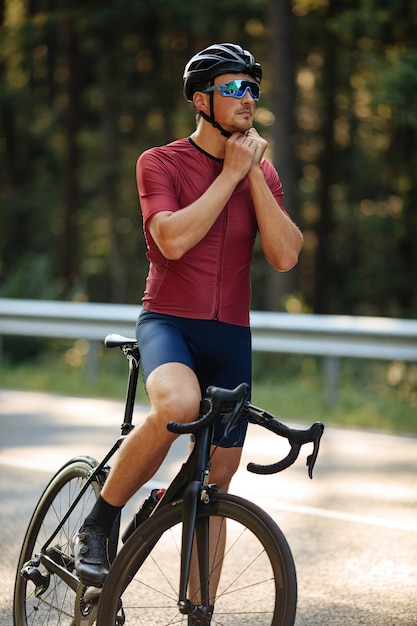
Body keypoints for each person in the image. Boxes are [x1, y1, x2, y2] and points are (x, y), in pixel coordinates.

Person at [73, 42, 303, 598]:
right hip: (170, 322)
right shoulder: (160, 162)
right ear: (202, 100)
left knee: (215, 482)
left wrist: (250, 176)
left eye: (252, 87)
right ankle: (100, 520)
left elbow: (286, 255)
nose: (247, 97)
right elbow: (171, 240)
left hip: (232, 335)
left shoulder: (261, 174)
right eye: (233, 88)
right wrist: (229, 174)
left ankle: (199, 609)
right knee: (177, 408)